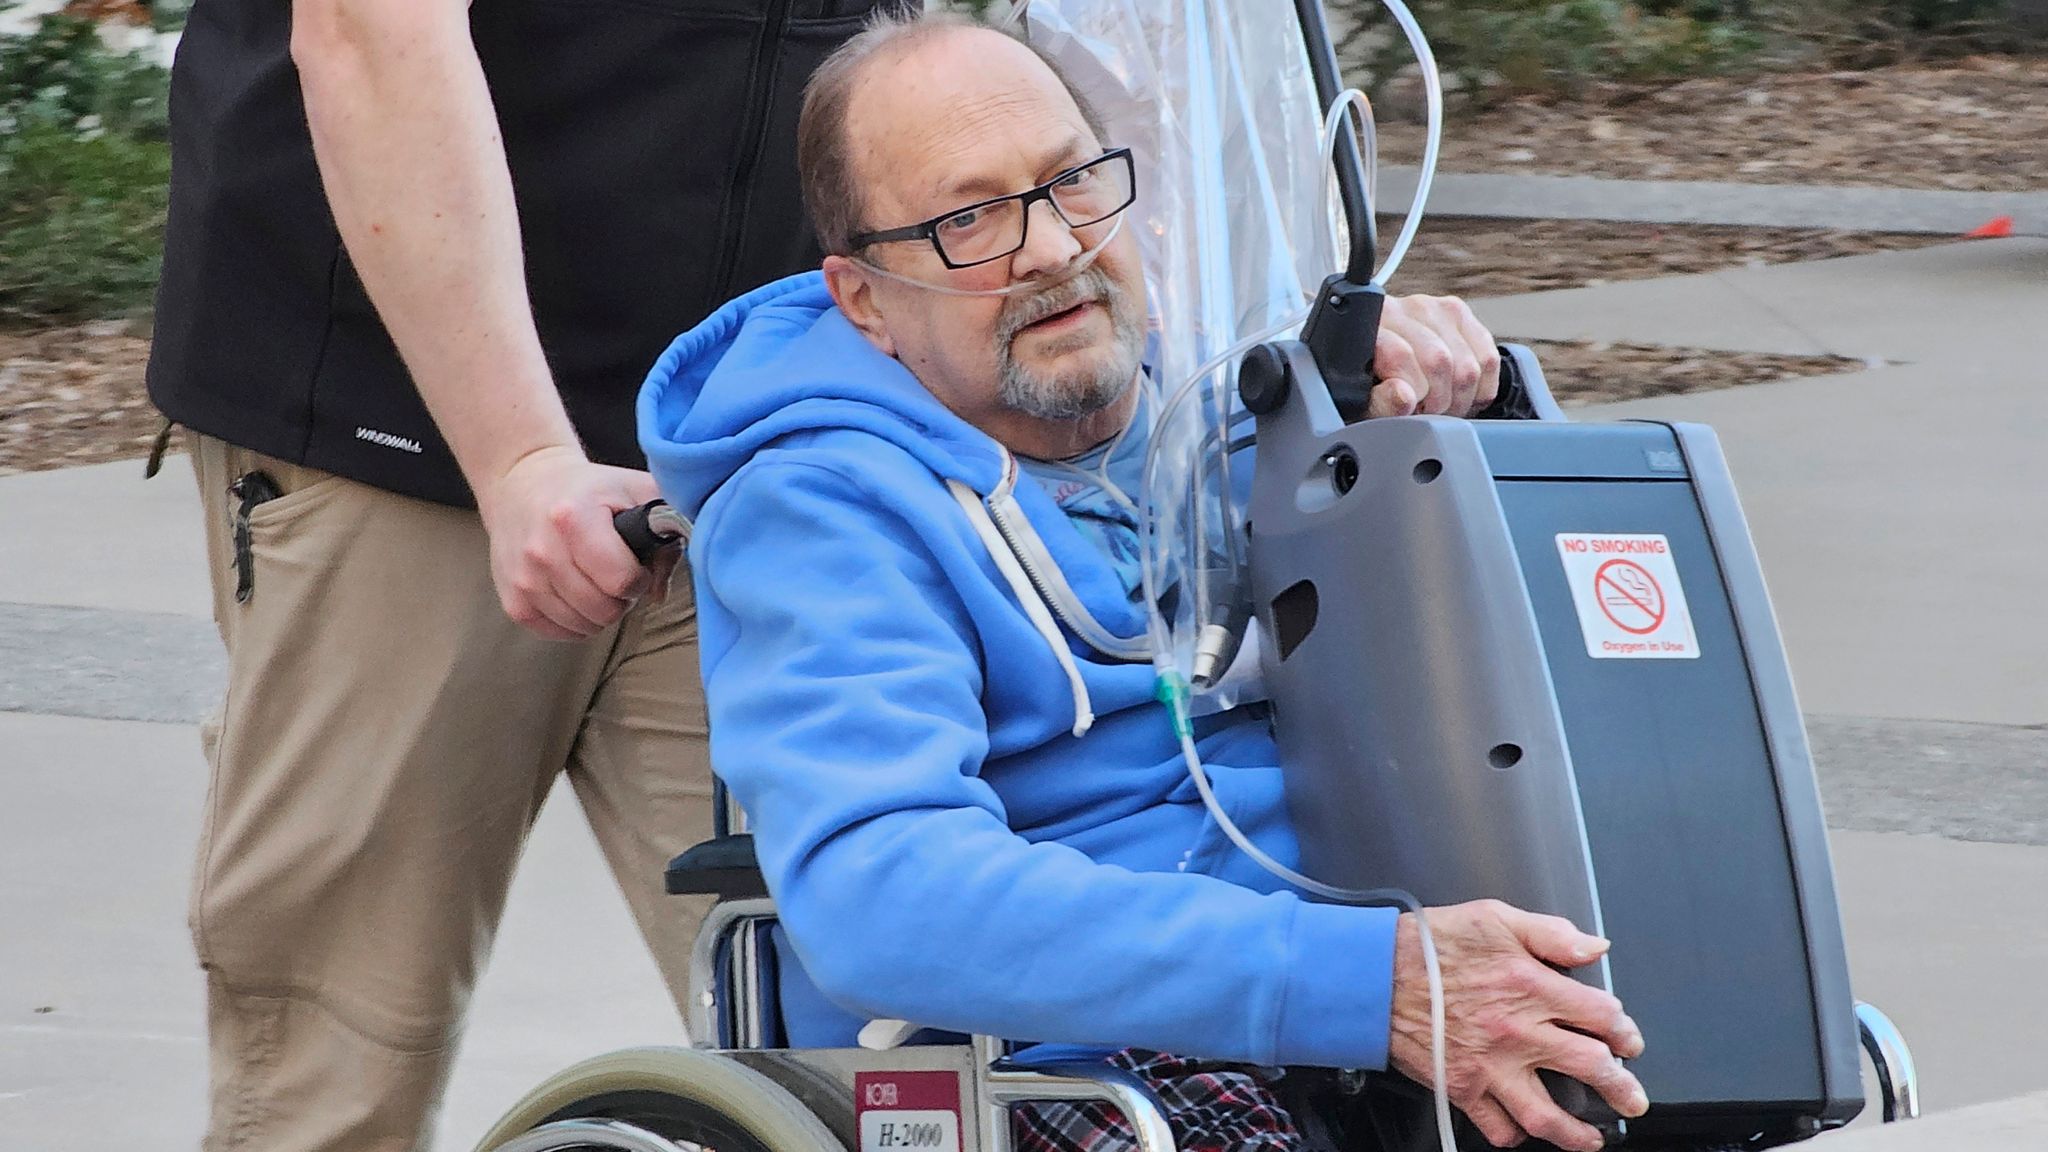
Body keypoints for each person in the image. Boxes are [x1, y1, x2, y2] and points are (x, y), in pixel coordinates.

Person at [641, 11, 1649, 1152]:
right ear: (861, 296)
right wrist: (1367, 984)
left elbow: (1559, 697)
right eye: (969, 218)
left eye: (1071, 180)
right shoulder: (820, 508)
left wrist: (1467, 412)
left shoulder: (1244, 404)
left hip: (1412, 965)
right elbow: (885, 897)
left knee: (1752, 1056)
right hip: (1080, 1051)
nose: (1050, 246)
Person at [144, 1, 909, 1148]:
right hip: (399, 422)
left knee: (884, 1061)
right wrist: (518, 459)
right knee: (339, 1073)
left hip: (757, 436)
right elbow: (369, 27)